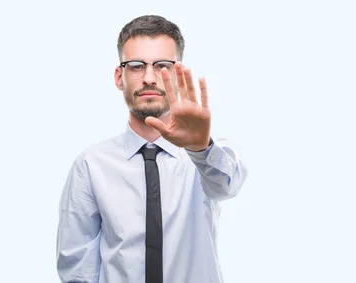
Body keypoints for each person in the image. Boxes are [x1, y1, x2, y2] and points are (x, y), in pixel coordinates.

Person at [55, 15, 248, 283]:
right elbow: (78, 269)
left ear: (179, 74)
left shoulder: (206, 156)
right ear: (119, 77)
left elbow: (228, 185)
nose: (148, 78)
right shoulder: (91, 165)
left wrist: (201, 149)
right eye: (136, 66)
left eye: (162, 66)